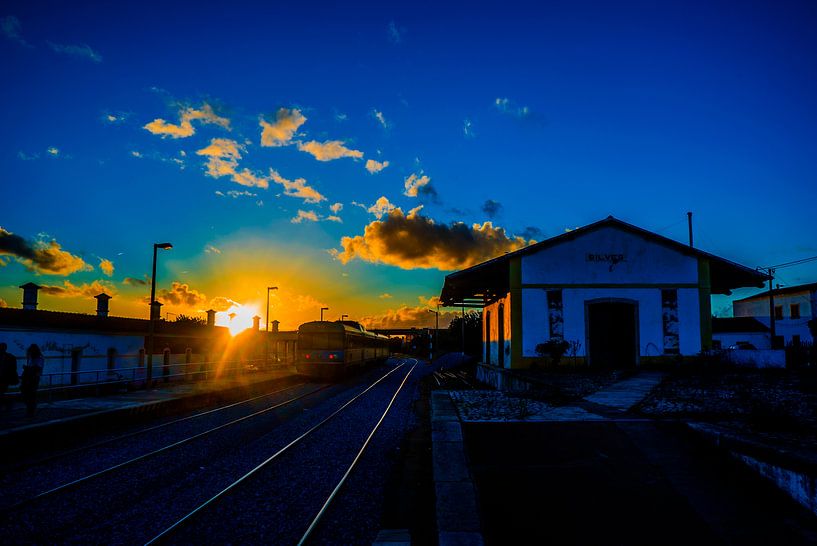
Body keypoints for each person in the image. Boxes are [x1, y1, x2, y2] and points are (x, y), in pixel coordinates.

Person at [21, 344, 44, 416]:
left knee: (31, 394)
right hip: (30, 378)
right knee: (28, 394)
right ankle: (30, 410)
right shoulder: (32, 358)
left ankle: (31, 411)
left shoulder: (39, 358)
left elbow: (37, 369)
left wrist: (27, 368)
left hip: (34, 378)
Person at [0, 343, 19, 411]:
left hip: (4, 378)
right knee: (1, 392)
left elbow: (13, 368)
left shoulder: (10, 357)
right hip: (4, 377)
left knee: (1, 392)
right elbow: (14, 368)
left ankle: (8, 402)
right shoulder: (10, 357)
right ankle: (8, 402)